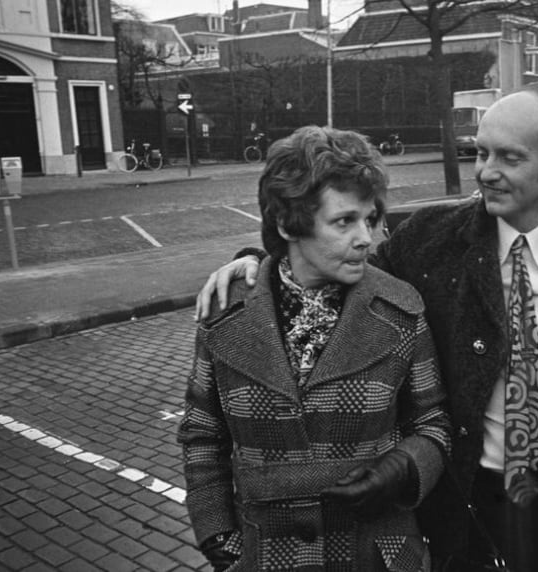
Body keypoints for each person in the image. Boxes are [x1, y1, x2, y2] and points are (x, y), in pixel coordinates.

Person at [195, 84, 538, 571]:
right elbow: (333, 265)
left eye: (509, 157)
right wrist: (257, 263)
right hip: (475, 506)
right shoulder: (429, 242)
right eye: (482, 152)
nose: (485, 171)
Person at [178, 126, 451, 572]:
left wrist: (402, 469)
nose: (366, 237)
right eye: (344, 221)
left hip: (375, 555)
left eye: (370, 217)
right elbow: (202, 434)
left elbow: (433, 422)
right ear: (288, 223)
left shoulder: (401, 310)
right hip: (264, 557)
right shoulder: (225, 313)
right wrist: (217, 534)